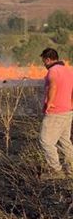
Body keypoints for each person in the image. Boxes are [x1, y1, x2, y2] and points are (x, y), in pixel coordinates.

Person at [39, 48, 73, 180]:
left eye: (43, 61)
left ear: (47, 59)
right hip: (68, 111)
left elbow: (53, 85)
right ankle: (71, 170)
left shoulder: (53, 71)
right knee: (65, 142)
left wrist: (50, 103)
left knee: (46, 141)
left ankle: (55, 170)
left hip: (56, 112)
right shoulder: (68, 70)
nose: (44, 64)